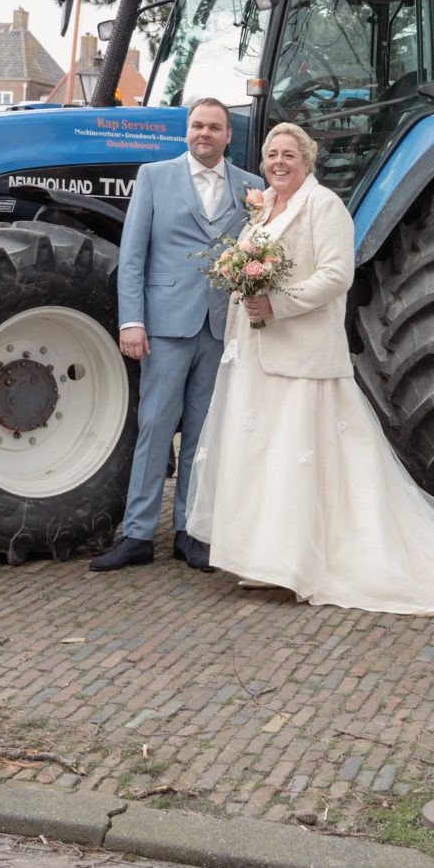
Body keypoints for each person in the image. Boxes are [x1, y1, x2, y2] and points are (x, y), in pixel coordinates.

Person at [186, 123, 434, 614]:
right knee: (263, 454)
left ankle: (299, 563)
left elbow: (337, 275)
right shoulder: (264, 206)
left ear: (307, 162)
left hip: (301, 354)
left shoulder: (324, 206)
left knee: (295, 456)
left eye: (289, 154)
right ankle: (262, 559)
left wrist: (278, 304)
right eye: (272, 155)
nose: (279, 163)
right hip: (256, 352)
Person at [96, 98, 262, 573]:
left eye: (214, 127)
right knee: (153, 426)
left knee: (202, 433)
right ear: (186, 132)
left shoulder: (251, 189)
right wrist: (132, 321)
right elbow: (133, 257)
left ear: (229, 135)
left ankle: (190, 531)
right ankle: (138, 533)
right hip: (165, 325)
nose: (204, 134)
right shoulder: (154, 176)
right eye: (196, 126)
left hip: (219, 326)